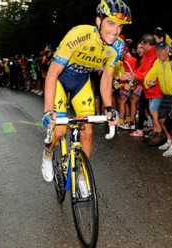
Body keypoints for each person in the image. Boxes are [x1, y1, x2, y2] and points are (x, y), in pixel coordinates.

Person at [41, 0, 131, 182]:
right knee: (58, 131)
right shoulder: (78, 35)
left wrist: (108, 108)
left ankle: (82, 177)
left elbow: (106, 79)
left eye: (120, 26)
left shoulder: (117, 46)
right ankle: (47, 154)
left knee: (87, 130)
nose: (115, 31)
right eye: (110, 23)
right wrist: (48, 110)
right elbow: (52, 74)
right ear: (99, 21)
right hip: (60, 79)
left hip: (81, 82)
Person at [144, 41, 172, 155]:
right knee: (161, 119)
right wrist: (148, 81)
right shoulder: (157, 62)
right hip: (167, 96)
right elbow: (150, 75)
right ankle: (169, 140)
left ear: (168, 50)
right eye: (158, 51)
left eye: (162, 50)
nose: (160, 53)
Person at [124, 34, 158, 138]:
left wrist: (134, 76)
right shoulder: (147, 55)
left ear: (147, 44)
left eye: (142, 46)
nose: (141, 48)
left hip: (155, 89)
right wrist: (132, 74)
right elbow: (142, 70)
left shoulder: (154, 55)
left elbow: (149, 73)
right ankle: (154, 131)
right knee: (146, 108)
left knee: (153, 111)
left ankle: (158, 132)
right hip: (147, 88)